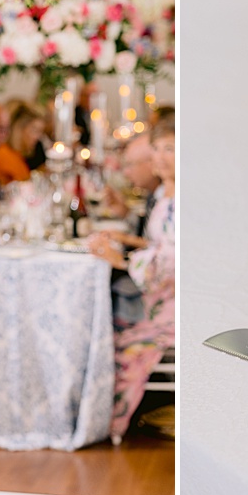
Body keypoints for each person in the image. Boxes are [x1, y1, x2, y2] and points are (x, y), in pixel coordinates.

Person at [88, 116, 176, 444]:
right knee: (100, 327)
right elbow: (159, 246)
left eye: (170, 148)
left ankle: (110, 426)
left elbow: (172, 260)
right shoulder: (167, 193)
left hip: (170, 303)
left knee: (117, 344)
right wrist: (124, 240)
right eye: (157, 149)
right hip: (155, 294)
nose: (160, 157)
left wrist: (122, 260)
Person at [8, 100, 47, 171]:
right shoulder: (4, 156)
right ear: (19, 129)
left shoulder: (26, 157)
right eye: (35, 131)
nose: (38, 137)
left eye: (41, 132)